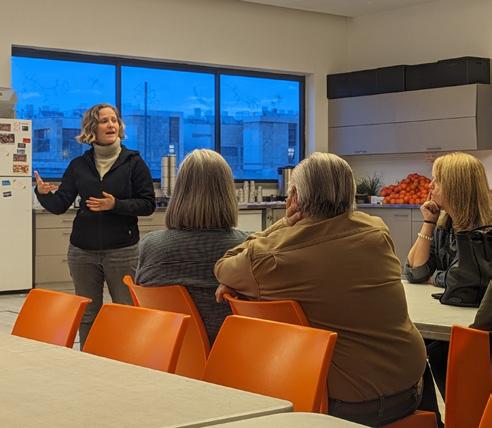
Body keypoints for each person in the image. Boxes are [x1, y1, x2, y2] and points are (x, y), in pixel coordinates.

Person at [214, 152, 427, 427]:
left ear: (294, 198)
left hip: (342, 403)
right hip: (408, 384)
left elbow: (223, 265)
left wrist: (282, 223)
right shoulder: (376, 230)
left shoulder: (271, 258)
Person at [34, 103, 155, 348]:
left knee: (126, 311)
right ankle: (89, 358)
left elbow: (148, 204)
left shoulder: (134, 163)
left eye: (114, 120)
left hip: (122, 251)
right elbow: (60, 204)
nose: (111, 125)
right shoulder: (79, 165)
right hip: (82, 251)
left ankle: (127, 359)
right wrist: (42, 193)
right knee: (87, 313)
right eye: (104, 121)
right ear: (92, 128)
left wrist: (116, 205)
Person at [135, 149, 248, 343]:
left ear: (179, 192)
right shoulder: (245, 249)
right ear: (228, 194)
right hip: (229, 353)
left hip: (166, 351)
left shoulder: (150, 246)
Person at [405, 151, 492, 397]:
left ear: (455, 186)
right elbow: (415, 272)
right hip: (452, 320)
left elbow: (461, 283)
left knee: (426, 348)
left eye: (437, 180)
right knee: (417, 346)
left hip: (476, 330)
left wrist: (437, 277)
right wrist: (429, 223)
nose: (430, 185)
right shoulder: (446, 223)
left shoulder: (484, 232)